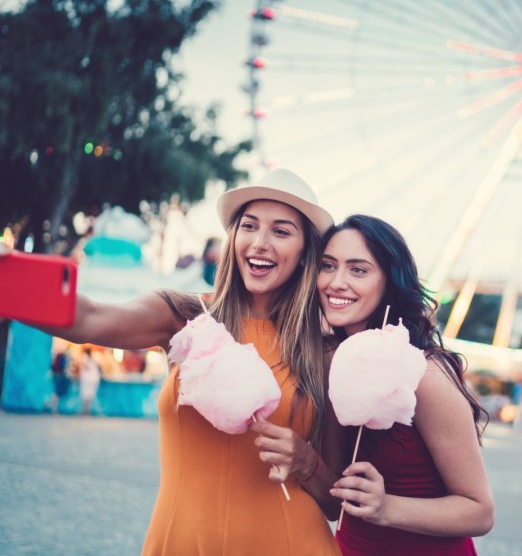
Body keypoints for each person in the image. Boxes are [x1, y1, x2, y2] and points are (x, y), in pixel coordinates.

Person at [0, 168, 345, 555]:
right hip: (181, 542)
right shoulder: (184, 316)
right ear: (233, 238)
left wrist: (306, 461)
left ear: (304, 254)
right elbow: (90, 317)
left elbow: (334, 503)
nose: (260, 242)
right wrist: (8, 280)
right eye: (249, 226)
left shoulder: (325, 352)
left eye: (281, 231)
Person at [317, 214, 495, 555]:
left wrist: (386, 508)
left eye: (358, 270)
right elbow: (333, 502)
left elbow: (480, 511)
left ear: (390, 282)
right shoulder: (332, 363)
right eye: (327, 266)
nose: (336, 282)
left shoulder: (425, 376)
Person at [79, 348, 101, 415]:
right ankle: (87, 410)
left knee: (85, 395)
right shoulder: (95, 358)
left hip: (87, 379)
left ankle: (85, 410)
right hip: (93, 378)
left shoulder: (85, 358)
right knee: (90, 395)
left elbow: (85, 367)